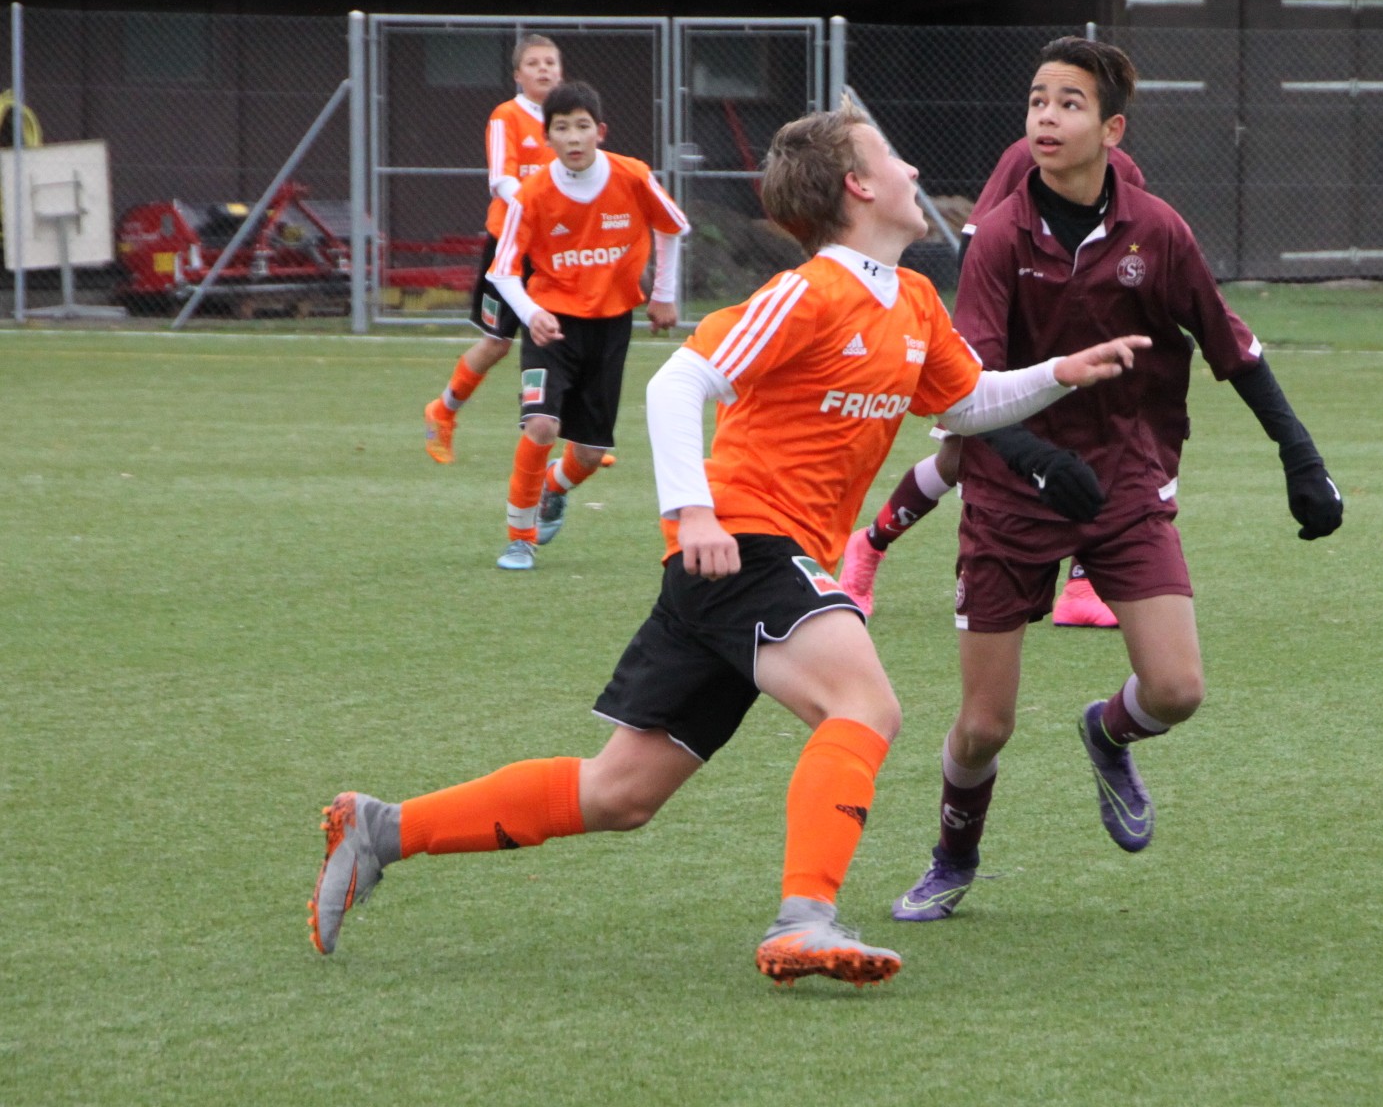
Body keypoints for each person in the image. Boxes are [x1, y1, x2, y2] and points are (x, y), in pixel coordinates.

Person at [307, 103, 1153, 987]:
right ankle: (804, 921)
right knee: (864, 706)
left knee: (621, 792)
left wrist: (1058, 374)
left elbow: (964, 401)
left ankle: (381, 829)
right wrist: (695, 512)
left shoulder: (909, 301)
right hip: (743, 542)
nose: (911, 170)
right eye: (893, 156)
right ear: (859, 187)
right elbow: (678, 382)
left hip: (736, 564)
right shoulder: (808, 292)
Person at [890, 37, 1343, 924]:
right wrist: (1035, 458)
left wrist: (1302, 457)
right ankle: (953, 857)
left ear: (1111, 129)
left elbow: (1231, 346)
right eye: (1037, 101)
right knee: (983, 727)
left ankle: (1107, 731)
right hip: (1012, 493)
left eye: (1069, 103)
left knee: (1176, 691)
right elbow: (964, 390)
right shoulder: (999, 238)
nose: (1046, 117)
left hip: (1126, 484)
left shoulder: (1158, 230)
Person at [837, 136, 1147, 628]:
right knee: (961, 457)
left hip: (1079, 338)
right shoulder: (1026, 155)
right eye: (1048, 102)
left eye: (1077, 103)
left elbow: (1133, 249)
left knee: (1102, 440)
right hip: (1008, 335)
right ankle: (870, 546)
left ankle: (1082, 585)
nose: (1055, 115)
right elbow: (975, 242)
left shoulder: (1123, 170)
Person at [484, 80, 688, 571]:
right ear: (547, 137)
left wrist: (663, 294)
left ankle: (554, 488)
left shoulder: (632, 176)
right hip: (551, 326)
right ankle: (520, 538)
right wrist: (532, 314)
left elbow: (673, 227)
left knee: (592, 452)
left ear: (600, 131)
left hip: (610, 326)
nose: (573, 138)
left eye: (581, 127)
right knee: (541, 424)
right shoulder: (532, 194)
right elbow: (503, 271)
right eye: (561, 128)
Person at [423, 34, 563, 464]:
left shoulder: (570, 119)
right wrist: (536, 208)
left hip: (556, 250)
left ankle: (569, 437)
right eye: (534, 63)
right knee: (497, 344)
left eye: (550, 62)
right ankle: (443, 410)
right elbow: (501, 179)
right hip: (510, 247)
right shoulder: (506, 116)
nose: (543, 69)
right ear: (518, 74)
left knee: (559, 337)